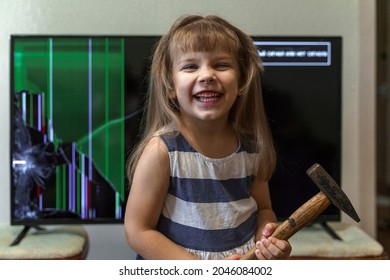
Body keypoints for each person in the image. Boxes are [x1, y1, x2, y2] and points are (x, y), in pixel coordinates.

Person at [124, 14, 292, 260]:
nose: (207, 75)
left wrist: (267, 240)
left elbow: (264, 209)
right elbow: (138, 231)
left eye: (221, 65)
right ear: (170, 86)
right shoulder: (162, 151)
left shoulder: (251, 149)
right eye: (191, 66)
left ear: (242, 80)